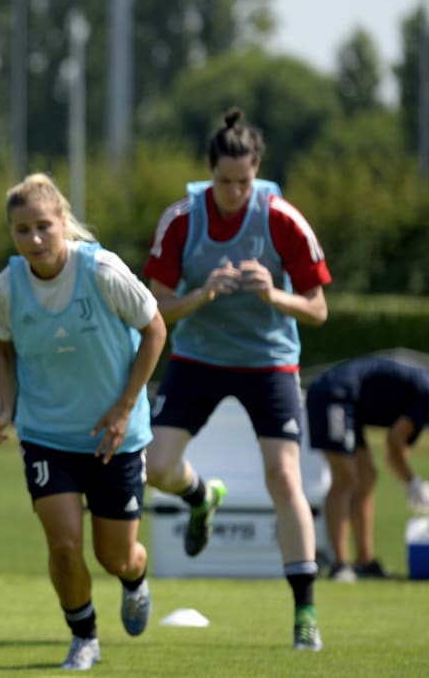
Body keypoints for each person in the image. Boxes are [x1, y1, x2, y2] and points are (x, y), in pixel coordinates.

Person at [142, 107, 331, 651]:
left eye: (243, 182)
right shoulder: (182, 218)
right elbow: (157, 308)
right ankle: (202, 497)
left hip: (269, 361)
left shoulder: (282, 219)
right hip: (199, 359)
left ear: (258, 172)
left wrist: (272, 295)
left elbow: (318, 310)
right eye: (223, 182)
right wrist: (203, 294)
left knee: (283, 476)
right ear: (208, 172)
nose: (233, 192)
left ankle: (305, 613)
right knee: (155, 466)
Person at [0, 173, 167, 671]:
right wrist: (5, 407)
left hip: (114, 436)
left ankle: (135, 577)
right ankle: (84, 636)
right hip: (46, 436)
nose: (34, 239)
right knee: (63, 547)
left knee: (115, 556)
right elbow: (4, 349)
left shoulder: (102, 270)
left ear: (64, 223)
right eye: (22, 230)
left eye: (44, 226)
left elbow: (154, 330)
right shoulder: (6, 288)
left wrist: (126, 406)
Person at [305, 356, 429, 582]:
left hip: (351, 405)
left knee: (367, 476)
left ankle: (365, 561)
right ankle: (339, 564)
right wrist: (413, 483)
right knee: (346, 479)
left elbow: (396, 453)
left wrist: (412, 482)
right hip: (335, 395)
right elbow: (394, 442)